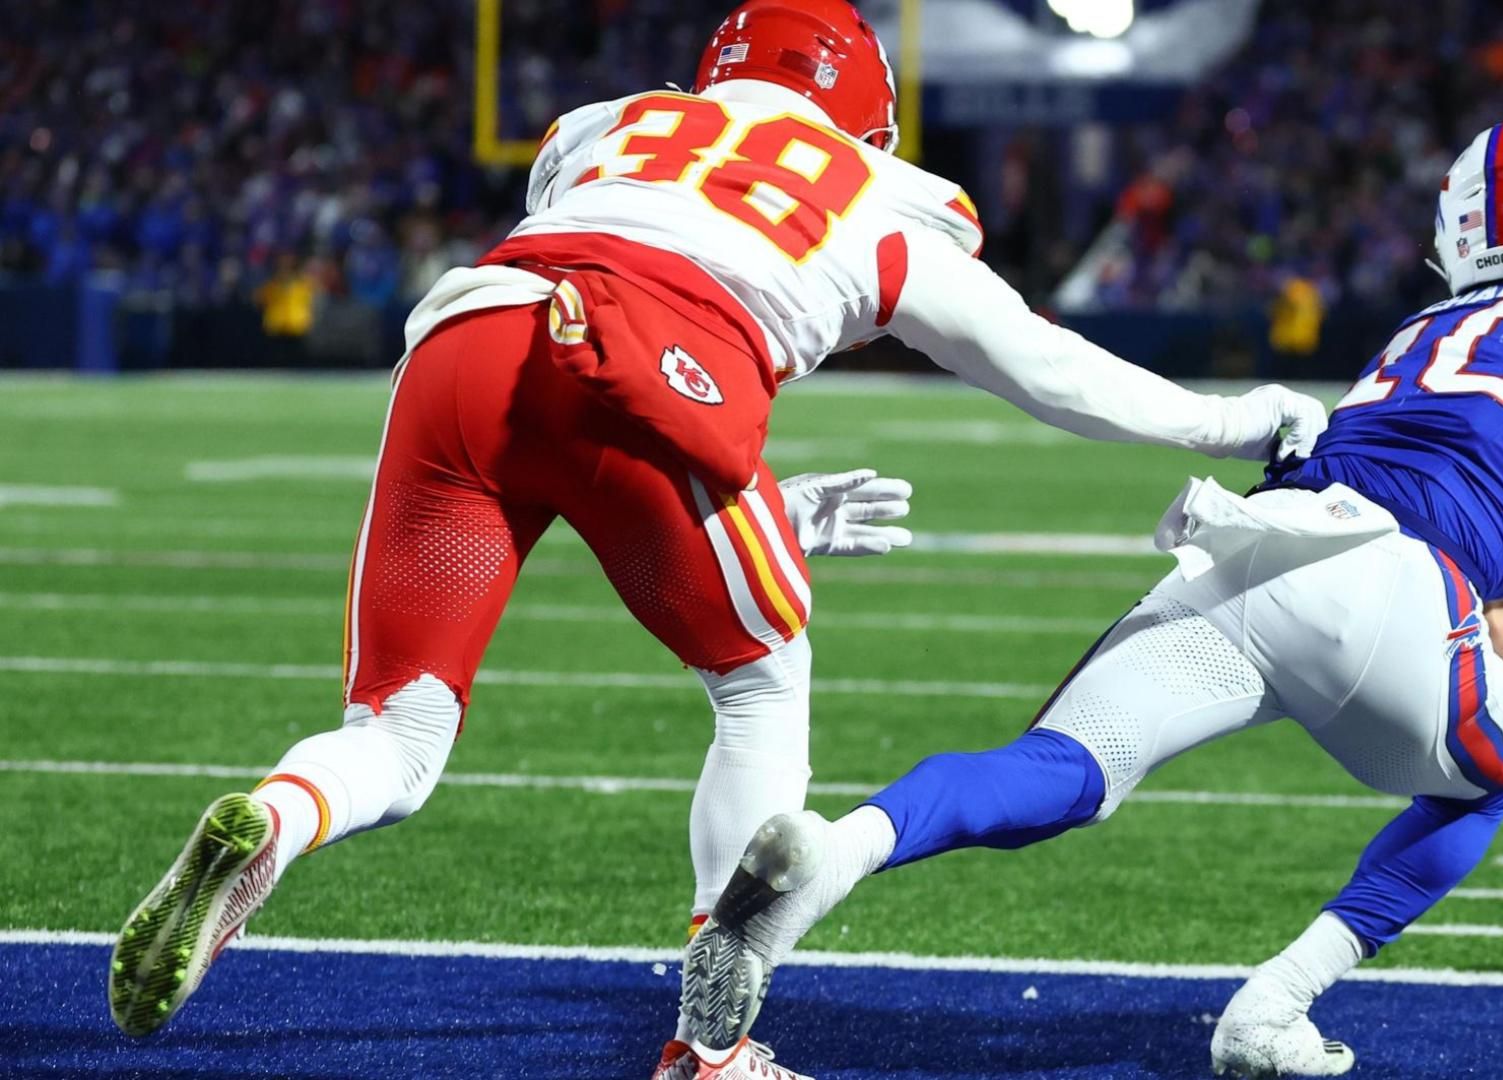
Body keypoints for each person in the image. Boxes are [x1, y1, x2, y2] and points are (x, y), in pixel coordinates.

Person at [105, 4, 1327, 1078]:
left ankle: (275, 817)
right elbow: (1047, 370)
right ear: (868, 114)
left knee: (401, 731)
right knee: (759, 679)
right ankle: (712, 1044)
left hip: (471, 340)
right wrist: (1239, 418)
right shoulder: (889, 201)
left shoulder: (609, 125)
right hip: (650, 375)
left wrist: (753, 507)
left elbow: (608, 254)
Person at [679, 119, 1503, 1079]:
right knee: (1489, 777)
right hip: (1403, 590)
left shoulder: (1422, 332)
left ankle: (826, 862)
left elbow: (1481, 632)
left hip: (1256, 540)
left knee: (1059, 767)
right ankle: (1272, 1011)